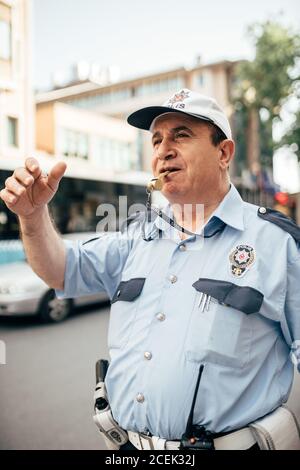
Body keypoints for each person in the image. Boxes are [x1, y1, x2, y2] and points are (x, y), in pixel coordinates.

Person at [1, 89, 299, 451]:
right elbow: (61, 270)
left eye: (181, 134)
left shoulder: (276, 244)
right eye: (156, 140)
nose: (163, 150)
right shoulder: (136, 237)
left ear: (224, 152)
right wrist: (31, 217)